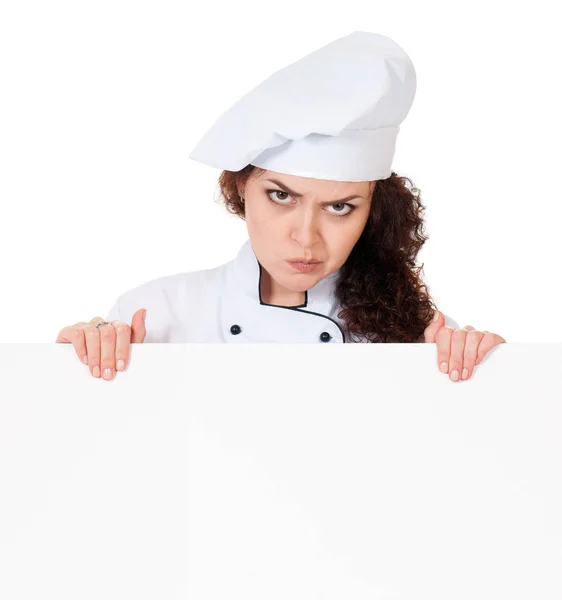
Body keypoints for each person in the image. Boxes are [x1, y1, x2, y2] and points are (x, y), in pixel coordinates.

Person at [55, 31, 505, 382]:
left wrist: (492, 374)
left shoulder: (417, 331)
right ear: (241, 189)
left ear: (372, 212)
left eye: (341, 207)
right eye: (282, 196)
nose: (305, 237)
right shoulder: (157, 314)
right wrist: (74, 372)